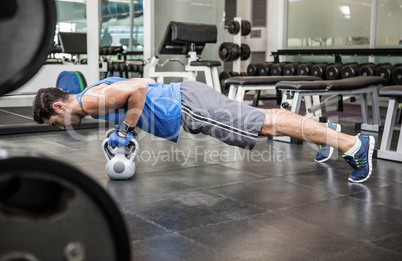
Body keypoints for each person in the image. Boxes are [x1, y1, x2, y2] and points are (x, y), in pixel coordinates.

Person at [32, 77, 374, 183]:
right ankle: (326, 132)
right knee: (261, 118)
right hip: (186, 99)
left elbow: (139, 89)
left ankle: (352, 144)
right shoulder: (91, 97)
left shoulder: (89, 101)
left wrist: (125, 128)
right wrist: (127, 133)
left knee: (264, 124)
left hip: (188, 106)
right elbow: (134, 101)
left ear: (58, 107)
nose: (61, 127)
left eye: (54, 122)